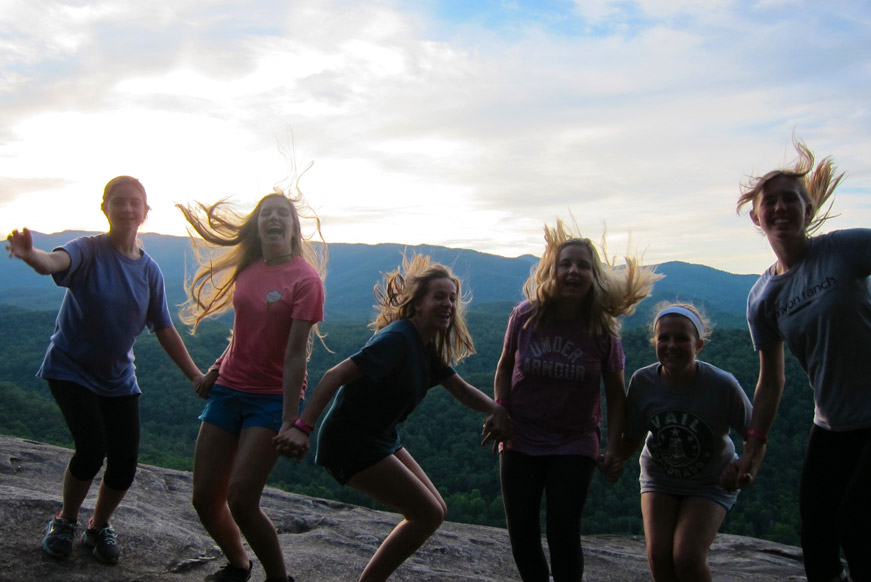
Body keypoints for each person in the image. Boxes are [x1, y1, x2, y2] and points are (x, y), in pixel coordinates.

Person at [724, 137, 871, 582]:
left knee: (857, 529)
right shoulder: (762, 297)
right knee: (816, 537)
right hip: (833, 424)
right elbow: (771, 380)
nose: (780, 208)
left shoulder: (843, 249)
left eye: (791, 199)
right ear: (756, 216)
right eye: (771, 202)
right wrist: (753, 447)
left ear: (808, 209)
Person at [273, 253, 510, 582]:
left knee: (437, 511)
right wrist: (302, 426)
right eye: (439, 296)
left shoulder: (425, 345)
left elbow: (461, 389)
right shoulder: (397, 339)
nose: (448, 304)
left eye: (452, 298)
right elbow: (334, 374)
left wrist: (497, 409)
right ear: (417, 305)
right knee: (425, 515)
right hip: (350, 441)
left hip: (380, 437)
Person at [5, 176, 205, 565]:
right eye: (119, 202)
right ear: (105, 208)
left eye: (135, 203)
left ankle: (98, 527)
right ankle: (65, 520)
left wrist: (195, 375)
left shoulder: (149, 272)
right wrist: (31, 255)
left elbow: (164, 328)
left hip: (118, 377)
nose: (127, 209)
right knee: (92, 447)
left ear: (146, 212)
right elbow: (52, 262)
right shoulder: (88, 249)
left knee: (126, 461)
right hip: (70, 368)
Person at [493, 219, 659, 582]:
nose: (573, 271)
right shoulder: (526, 316)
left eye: (583, 265)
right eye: (565, 264)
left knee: (562, 532)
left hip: (574, 442)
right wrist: (501, 409)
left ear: (593, 275)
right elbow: (505, 366)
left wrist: (613, 448)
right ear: (552, 271)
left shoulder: (602, 329)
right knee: (521, 533)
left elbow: (616, 396)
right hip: (520, 437)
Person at [178, 189, 326, 582]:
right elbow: (241, 333)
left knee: (241, 500)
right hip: (227, 390)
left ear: (294, 228)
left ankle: (279, 579)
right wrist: (214, 367)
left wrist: (291, 420)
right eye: (266, 214)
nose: (274, 219)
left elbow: (297, 354)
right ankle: (239, 564)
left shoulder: (306, 280)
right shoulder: (249, 270)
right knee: (205, 499)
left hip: (270, 400)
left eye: (283, 214)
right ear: (258, 226)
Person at [619, 302, 751, 581]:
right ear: (654, 341)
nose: (671, 345)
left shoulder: (722, 385)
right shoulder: (643, 381)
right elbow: (632, 435)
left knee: (687, 558)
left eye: (682, 338)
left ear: (699, 345)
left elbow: (756, 432)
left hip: (710, 482)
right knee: (659, 557)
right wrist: (612, 458)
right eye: (663, 337)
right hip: (659, 478)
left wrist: (743, 466)